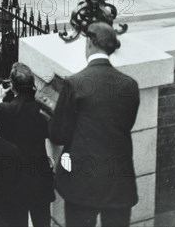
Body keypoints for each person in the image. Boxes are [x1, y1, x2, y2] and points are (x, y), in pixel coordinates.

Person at [49, 22, 139, 227]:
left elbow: (58, 134)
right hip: (119, 182)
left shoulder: (75, 83)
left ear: (89, 42)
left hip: (83, 183)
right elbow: (127, 124)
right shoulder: (130, 85)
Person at [0, 63, 55, 227]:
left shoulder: (5, 111)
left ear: (12, 86)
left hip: (14, 179)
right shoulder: (42, 110)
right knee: (42, 222)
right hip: (39, 176)